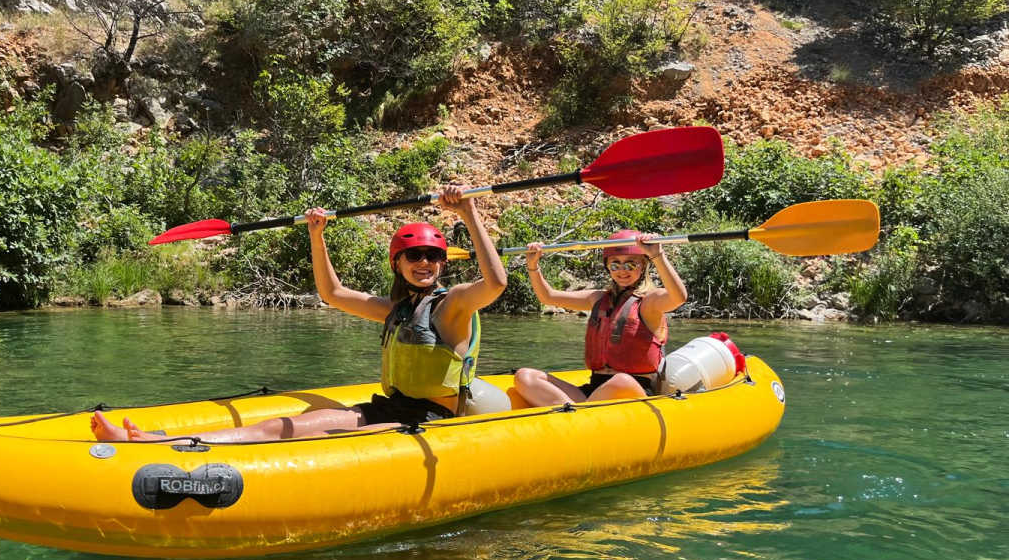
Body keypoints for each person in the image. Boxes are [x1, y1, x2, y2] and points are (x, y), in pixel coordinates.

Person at [91, 185, 507, 443]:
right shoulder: (394, 310)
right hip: (389, 408)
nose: (425, 263)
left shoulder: (452, 305)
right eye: (414, 256)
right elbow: (333, 292)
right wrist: (316, 235)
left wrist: (468, 213)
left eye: (433, 257)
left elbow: (496, 284)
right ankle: (159, 439)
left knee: (338, 439)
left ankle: (160, 446)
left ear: (442, 263)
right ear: (397, 263)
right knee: (280, 427)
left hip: (431, 420)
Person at [513, 229, 687, 406]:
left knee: (621, 381)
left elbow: (678, 297)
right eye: (615, 264)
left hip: (632, 391)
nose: (622, 270)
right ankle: (576, 414)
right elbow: (548, 297)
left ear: (642, 265)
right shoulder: (597, 299)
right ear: (607, 266)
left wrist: (657, 255)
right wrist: (533, 265)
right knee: (524, 376)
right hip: (594, 390)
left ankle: (577, 414)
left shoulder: (649, 302)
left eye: (630, 265)